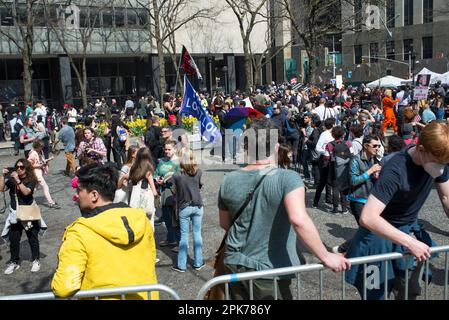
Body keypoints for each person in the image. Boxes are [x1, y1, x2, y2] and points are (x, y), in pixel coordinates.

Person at [218, 117, 350, 300]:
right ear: (276, 147)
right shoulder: (288, 178)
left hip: (234, 263)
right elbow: (299, 219)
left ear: (247, 147)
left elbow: (225, 224)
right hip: (268, 269)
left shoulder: (228, 179)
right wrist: (325, 255)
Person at [345, 121, 449, 300]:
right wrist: (411, 243)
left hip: (406, 231)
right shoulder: (396, 169)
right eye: (438, 162)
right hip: (377, 237)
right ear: (421, 149)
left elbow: (447, 198)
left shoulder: (439, 163)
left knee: (410, 291)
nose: (441, 167)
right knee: (375, 294)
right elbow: (368, 217)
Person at [51, 164, 158, 299]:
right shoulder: (141, 220)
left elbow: (63, 288)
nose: (76, 195)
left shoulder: (79, 232)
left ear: (94, 195)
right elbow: (151, 259)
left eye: (79, 190)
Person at [333, 135, 382, 255]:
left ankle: (354, 252)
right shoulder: (355, 159)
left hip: (370, 200)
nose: (378, 148)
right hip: (358, 200)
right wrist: (370, 171)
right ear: (365, 146)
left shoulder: (373, 159)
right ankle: (343, 249)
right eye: (375, 146)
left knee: (369, 231)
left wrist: (376, 176)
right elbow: (353, 181)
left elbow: (372, 179)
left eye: (379, 146)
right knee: (368, 230)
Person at [0, 159, 44, 274]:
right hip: (15, 214)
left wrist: (18, 181)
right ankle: (14, 262)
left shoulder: (31, 180)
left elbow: (26, 192)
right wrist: (3, 176)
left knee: (32, 237)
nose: (19, 169)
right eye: (17, 167)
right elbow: (2, 189)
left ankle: (36, 260)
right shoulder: (12, 180)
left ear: (26, 168)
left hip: (28, 214)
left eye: (22, 167)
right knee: (14, 240)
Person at [171, 149, 205, 272]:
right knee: (197, 234)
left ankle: (181, 265)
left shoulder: (177, 175)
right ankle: (198, 262)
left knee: (184, 236)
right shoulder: (199, 172)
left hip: (184, 207)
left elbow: (174, 191)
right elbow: (199, 186)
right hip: (198, 205)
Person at [154, 140, 181, 249]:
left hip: (174, 193)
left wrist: (168, 181)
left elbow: (181, 178)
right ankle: (170, 239)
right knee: (166, 217)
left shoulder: (178, 163)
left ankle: (178, 242)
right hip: (163, 192)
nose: (166, 151)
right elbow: (156, 173)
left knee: (175, 218)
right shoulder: (162, 161)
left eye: (169, 149)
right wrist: (157, 179)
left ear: (175, 149)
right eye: (165, 149)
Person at [28, 140, 60, 209]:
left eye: (42, 147)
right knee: (45, 187)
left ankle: (25, 199)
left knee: (34, 188)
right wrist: (38, 166)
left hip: (39, 172)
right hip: (36, 173)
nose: (42, 148)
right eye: (40, 147)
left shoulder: (39, 152)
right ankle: (51, 202)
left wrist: (49, 159)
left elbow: (41, 162)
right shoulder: (32, 153)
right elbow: (28, 165)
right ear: (36, 146)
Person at [312, 117, 336, 208]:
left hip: (333, 159)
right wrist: (326, 152)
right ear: (332, 125)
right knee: (323, 181)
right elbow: (318, 147)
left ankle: (330, 200)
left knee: (332, 180)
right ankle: (315, 201)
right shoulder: (324, 134)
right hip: (324, 159)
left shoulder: (335, 133)